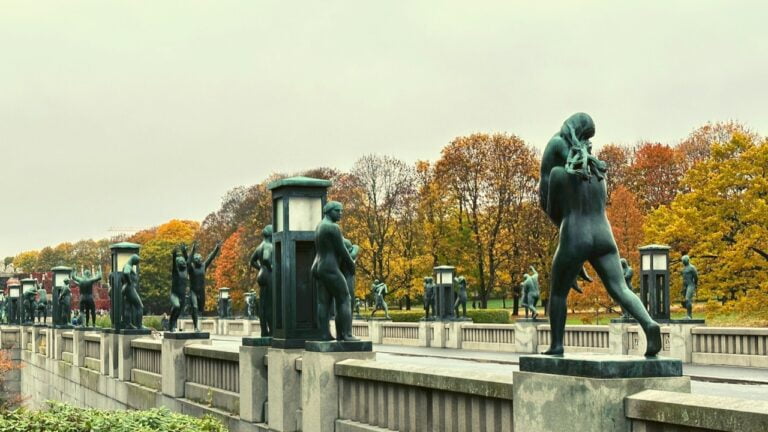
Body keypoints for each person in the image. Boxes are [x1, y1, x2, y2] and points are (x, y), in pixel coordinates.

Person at [540, 113, 661, 356]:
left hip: (575, 234)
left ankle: (556, 345)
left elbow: (554, 212)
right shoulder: (599, 175)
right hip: (604, 235)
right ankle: (648, 324)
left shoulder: (557, 175)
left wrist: (570, 257)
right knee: (620, 288)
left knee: (558, 293)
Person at [311, 201, 358, 341]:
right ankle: (346, 335)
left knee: (323, 302)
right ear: (329, 211)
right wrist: (351, 264)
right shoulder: (333, 227)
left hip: (317, 266)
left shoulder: (319, 226)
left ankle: (324, 334)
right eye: (338, 211)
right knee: (344, 298)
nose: (340, 213)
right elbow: (342, 250)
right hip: (329, 267)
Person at [187, 241, 221, 323]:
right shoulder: (191, 268)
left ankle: (195, 317)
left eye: (200, 259)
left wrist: (216, 248)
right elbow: (188, 261)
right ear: (194, 261)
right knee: (195, 307)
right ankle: (196, 327)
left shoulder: (203, 266)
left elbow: (211, 257)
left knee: (200, 309)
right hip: (193, 291)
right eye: (197, 259)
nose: (199, 260)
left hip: (201, 291)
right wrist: (193, 249)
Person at [250, 226, 274, 336]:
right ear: (270, 234)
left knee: (263, 305)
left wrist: (261, 268)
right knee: (270, 304)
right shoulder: (268, 245)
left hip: (261, 275)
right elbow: (266, 258)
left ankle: (264, 331)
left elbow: (252, 261)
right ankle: (272, 330)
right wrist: (271, 268)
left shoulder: (259, 246)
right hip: (268, 275)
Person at [169, 246, 192, 332]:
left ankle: (173, 324)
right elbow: (174, 266)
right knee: (176, 306)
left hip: (182, 295)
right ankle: (170, 323)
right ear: (177, 263)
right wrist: (174, 256)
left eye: (183, 262)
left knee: (179, 311)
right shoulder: (176, 271)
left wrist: (185, 251)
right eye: (181, 262)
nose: (183, 263)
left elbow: (188, 260)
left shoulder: (185, 271)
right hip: (174, 294)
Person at [121, 254, 144, 329]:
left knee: (128, 307)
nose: (137, 264)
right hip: (130, 288)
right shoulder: (128, 266)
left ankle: (128, 324)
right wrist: (129, 282)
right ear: (134, 260)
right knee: (140, 306)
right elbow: (126, 273)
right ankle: (139, 325)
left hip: (126, 288)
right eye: (137, 262)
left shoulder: (127, 265)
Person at [681, 255, 699, 319]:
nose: (683, 262)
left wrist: (695, 285)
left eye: (684, 261)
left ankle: (689, 315)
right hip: (685, 286)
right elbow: (684, 279)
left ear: (687, 260)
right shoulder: (683, 269)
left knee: (687, 299)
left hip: (690, 285)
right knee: (684, 301)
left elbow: (696, 277)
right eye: (683, 261)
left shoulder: (692, 268)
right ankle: (688, 314)